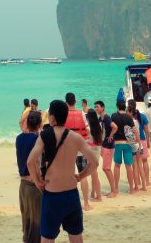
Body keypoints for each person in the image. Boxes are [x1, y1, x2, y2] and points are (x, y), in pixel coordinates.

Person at [26, 99, 99, 243]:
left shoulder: (44, 136)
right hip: (71, 195)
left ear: (52, 117)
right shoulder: (76, 137)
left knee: (47, 238)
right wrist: (80, 176)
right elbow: (95, 162)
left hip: (52, 196)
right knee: (76, 237)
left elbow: (30, 162)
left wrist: (38, 182)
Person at [16, 110, 43, 243]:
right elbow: (35, 163)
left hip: (23, 186)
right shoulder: (38, 139)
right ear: (40, 124)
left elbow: (21, 123)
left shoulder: (19, 138)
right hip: (33, 185)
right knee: (36, 226)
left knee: (27, 225)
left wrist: (30, 113)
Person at [62, 93, 91, 209]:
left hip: (67, 150)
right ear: (75, 101)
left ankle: (67, 203)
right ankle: (86, 203)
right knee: (83, 175)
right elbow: (88, 130)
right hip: (80, 149)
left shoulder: (63, 116)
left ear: (66, 102)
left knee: (66, 175)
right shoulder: (82, 114)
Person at [109, 99, 137, 195]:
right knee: (128, 166)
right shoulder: (128, 117)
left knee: (117, 165)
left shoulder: (113, 116)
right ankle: (131, 189)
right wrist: (138, 141)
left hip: (117, 143)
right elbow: (135, 130)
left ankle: (116, 188)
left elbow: (111, 128)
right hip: (127, 143)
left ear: (117, 106)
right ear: (124, 107)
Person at [93, 101, 116, 197]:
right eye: (95, 107)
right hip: (104, 144)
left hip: (109, 145)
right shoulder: (100, 118)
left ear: (102, 108)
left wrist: (110, 136)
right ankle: (113, 190)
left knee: (106, 168)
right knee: (106, 167)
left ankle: (114, 191)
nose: (96, 108)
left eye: (97, 107)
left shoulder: (106, 117)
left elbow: (115, 127)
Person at [84, 108, 103, 203]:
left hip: (91, 150)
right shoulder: (98, 126)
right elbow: (99, 139)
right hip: (97, 150)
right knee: (94, 173)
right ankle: (93, 193)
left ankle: (98, 196)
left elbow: (88, 140)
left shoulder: (88, 127)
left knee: (94, 174)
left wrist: (83, 142)